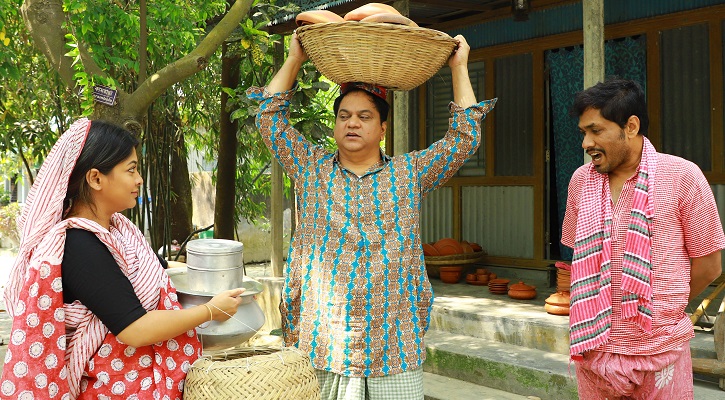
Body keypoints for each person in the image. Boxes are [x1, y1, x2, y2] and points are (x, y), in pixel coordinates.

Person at [246, 33, 496, 399]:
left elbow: (463, 138)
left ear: (382, 129)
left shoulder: (409, 173)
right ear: (334, 127)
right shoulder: (311, 168)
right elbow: (269, 118)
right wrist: (295, 58)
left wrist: (459, 67)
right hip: (324, 343)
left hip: (393, 343)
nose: (352, 123)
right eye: (344, 116)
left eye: (364, 117)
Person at [0, 119, 244, 399]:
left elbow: (154, 267)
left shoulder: (118, 230)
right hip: (114, 388)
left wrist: (207, 271)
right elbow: (134, 330)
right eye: (131, 170)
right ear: (95, 178)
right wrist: (210, 311)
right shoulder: (79, 245)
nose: (139, 179)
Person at [562, 78, 725, 399]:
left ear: (631, 126)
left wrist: (660, 308)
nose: (586, 143)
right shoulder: (581, 181)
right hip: (593, 349)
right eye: (584, 133)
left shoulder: (683, 176)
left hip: (660, 348)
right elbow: (577, 261)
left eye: (596, 131)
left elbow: (709, 266)